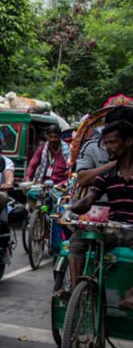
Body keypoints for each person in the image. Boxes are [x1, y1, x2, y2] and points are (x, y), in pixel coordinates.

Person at [68, 120, 133, 287]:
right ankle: (77, 292)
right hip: (115, 228)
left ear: (128, 141)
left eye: (112, 142)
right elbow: (89, 199)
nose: (108, 147)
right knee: (78, 239)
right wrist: (72, 210)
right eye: (106, 143)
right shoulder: (106, 175)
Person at [75, 106, 133, 188]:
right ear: (107, 127)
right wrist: (117, 163)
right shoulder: (91, 147)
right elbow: (82, 179)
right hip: (100, 199)